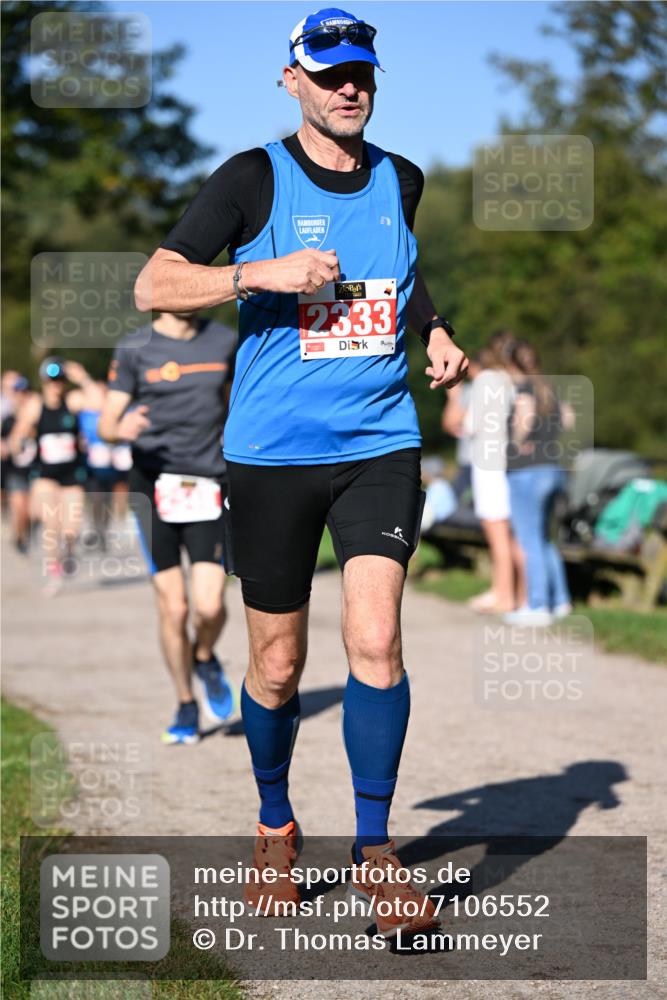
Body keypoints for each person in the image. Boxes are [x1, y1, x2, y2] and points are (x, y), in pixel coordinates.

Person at [134, 8, 468, 938]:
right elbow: (154, 284)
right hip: (273, 454)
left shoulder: (401, 177)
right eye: (328, 73)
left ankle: (375, 851)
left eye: (361, 69)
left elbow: (399, 271)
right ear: (293, 82)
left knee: (376, 642)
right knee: (277, 665)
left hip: (379, 444)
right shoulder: (250, 177)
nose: (347, 85)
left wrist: (433, 328)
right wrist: (258, 273)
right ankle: (275, 824)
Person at [98, 310, 238, 745]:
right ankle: (185, 703)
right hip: (153, 488)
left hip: (209, 483)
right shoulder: (134, 347)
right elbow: (105, 424)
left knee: (210, 606)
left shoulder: (225, 341)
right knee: (174, 608)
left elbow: (239, 405)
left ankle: (204, 656)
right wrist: (121, 430)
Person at [503, 340, 572, 626]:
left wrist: (516, 443)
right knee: (544, 539)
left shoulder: (524, 390)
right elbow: (568, 418)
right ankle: (561, 601)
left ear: (511, 365)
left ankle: (538, 605)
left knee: (529, 540)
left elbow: (525, 417)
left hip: (527, 472)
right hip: (554, 468)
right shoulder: (549, 389)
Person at [9, 358, 87, 594]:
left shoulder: (72, 402)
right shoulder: (35, 405)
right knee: (51, 527)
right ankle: (55, 573)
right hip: (45, 476)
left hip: (71, 475)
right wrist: (19, 447)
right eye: (52, 381)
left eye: (60, 380)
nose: (56, 385)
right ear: (44, 382)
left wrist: (83, 377)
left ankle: (70, 551)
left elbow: (99, 401)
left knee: (71, 529)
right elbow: (17, 435)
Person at [465, 342, 521, 614]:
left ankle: (506, 597)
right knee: (510, 534)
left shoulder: (484, 380)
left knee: (497, 533)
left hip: (487, 463)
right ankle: (511, 593)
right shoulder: (509, 381)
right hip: (507, 460)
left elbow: (470, 424)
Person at [1, 372, 35, 553]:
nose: (22, 396)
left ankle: (27, 531)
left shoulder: (37, 416)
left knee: (33, 510)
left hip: (35, 470)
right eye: (18, 392)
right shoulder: (8, 420)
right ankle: (19, 538)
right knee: (19, 506)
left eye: (25, 392)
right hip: (15, 470)